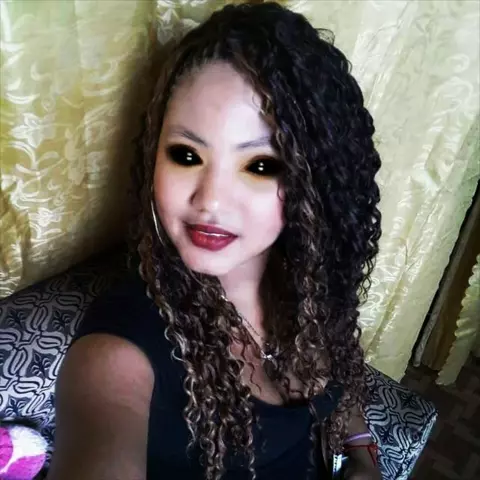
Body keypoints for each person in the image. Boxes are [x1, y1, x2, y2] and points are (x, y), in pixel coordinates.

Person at [47, 2, 382, 479]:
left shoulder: (306, 284)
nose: (210, 201)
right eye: (186, 155)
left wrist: (360, 450)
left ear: (314, 181)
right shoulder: (116, 356)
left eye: (260, 165)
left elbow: (339, 385)